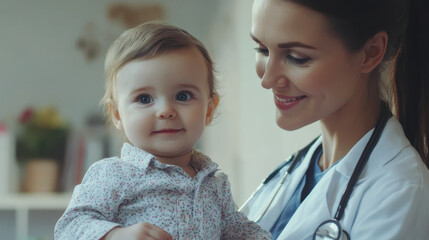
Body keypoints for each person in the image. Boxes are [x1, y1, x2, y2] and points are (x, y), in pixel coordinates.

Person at [55, 22, 271, 240]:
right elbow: (70, 227)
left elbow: (237, 230)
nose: (166, 111)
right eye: (145, 99)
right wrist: (115, 235)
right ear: (118, 114)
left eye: (183, 96)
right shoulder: (114, 174)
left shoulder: (215, 184)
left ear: (209, 109)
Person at [240, 0, 429, 239]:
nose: (267, 79)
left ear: (370, 53)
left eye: (297, 57)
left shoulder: (398, 194)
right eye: (263, 50)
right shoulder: (295, 172)